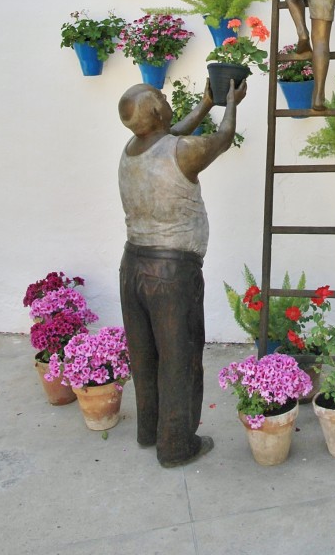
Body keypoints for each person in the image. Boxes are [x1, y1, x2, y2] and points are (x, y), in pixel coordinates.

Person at [117, 77, 247, 468]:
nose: (166, 98)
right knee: (179, 357)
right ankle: (175, 445)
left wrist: (204, 105)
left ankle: (150, 429)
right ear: (156, 110)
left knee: (145, 354)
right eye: (161, 97)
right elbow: (221, 140)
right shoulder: (181, 152)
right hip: (171, 273)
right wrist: (230, 102)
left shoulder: (132, 149)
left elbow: (169, 138)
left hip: (132, 265)